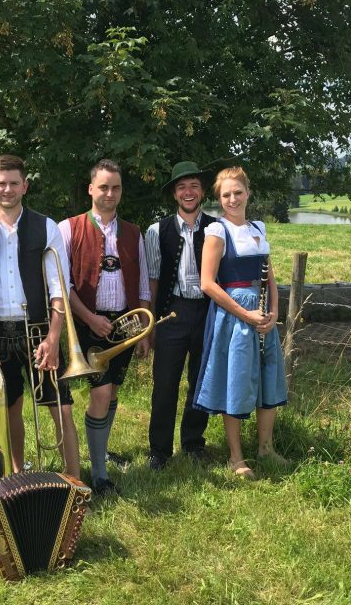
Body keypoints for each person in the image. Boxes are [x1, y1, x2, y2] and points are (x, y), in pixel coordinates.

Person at [0, 154, 80, 479]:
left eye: (14, 183)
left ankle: (76, 483)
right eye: (1, 183)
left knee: (61, 407)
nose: (7, 189)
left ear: (25, 186)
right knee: (9, 408)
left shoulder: (46, 226)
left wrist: (53, 337)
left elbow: (59, 287)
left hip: (38, 330)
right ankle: (17, 476)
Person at [58, 159, 151, 495]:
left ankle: (102, 452)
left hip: (124, 323)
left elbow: (142, 284)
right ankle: (99, 474)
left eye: (116, 188)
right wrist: (89, 318)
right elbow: (62, 284)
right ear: (90, 189)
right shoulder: (68, 228)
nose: (110, 193)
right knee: (100, 392)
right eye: (103, 187)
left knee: (112, 392)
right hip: (88, 322)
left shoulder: (134, 232)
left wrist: (144, 330)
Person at [192, 166, 288, 479]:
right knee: (236, 379)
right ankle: (236, 457)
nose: (232, 199)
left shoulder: (258, 228)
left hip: (263, 315)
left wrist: (274, 313)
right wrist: (245, 314)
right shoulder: (217, 232)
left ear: (248, 193)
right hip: (235, 316)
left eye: (237, 192)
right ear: (219, 199)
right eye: (226, 195)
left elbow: (270, 277)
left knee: (267, 377)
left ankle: (265, 448)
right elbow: (208, 283)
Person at [144, 161, 217, 470]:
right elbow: (152, 280)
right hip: (171, 313)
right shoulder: (156, 230)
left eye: (194, 186)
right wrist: (149, 324)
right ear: (174, 194)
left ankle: (193, 442)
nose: (188, 192)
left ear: (202, 191)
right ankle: (159, 450)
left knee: (200, 380)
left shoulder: (216, 228)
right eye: (182, 187)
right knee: (165, 384)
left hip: (206, 311)